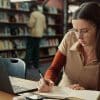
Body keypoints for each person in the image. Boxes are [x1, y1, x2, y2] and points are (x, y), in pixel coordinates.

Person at [38, 2, 100, 92]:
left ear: (98, 28)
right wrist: (48, 81)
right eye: (76, 30)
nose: (79, 37)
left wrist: (85, 92)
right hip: (62, 93)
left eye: (85, 31)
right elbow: (54, 69)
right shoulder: (70, 37)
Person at [25, 4, 46, 69]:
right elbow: (45, 27)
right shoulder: (42, 15)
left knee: (30, 50)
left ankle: (27, 65)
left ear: (33, 8)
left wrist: (27, 23)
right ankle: (36, 65)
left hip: (33, 34)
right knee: (36, 50)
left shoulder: (33, 14)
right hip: (39, 35)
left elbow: (31, 24)